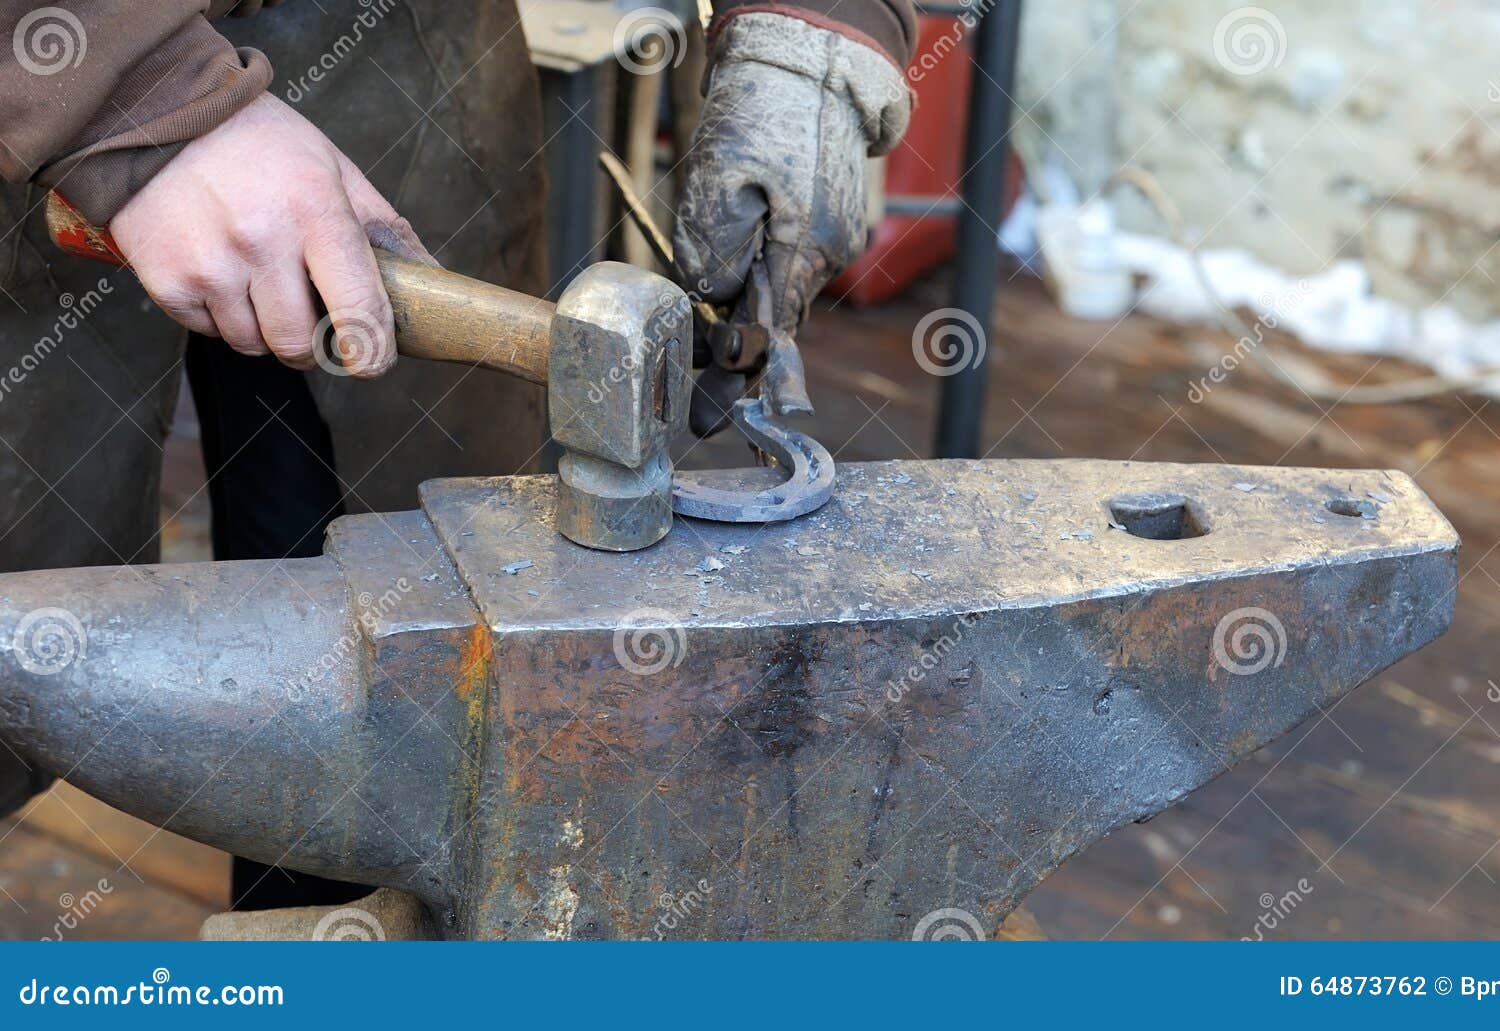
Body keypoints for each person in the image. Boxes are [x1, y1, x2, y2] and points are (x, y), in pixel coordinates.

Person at [0, 1, 914, 909]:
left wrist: (812, 32)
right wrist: (133, 88)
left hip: (406, 56)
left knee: (405, 704)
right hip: (40, 69)